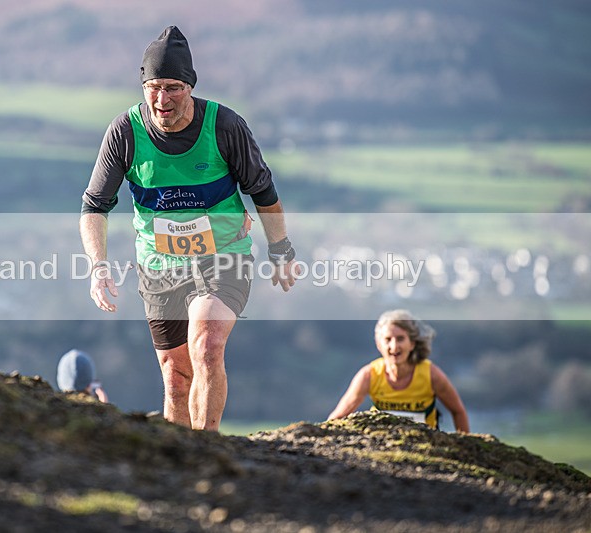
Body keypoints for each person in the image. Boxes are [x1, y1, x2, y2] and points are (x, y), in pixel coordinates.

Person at [80, 26, 298, 431]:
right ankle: (180, 465)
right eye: (154, 87)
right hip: (160, 266)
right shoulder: (125, 132)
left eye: (174, 88)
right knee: (176, 378)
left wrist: (281, 250)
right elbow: (94, 206)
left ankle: (208, 448)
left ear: (190, 87)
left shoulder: (225, 126)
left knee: (207, 346)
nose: (163, 100)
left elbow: (264, 194)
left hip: (223, 257)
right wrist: (98, 265)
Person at [328, 309, 470, 433]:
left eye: (400, 339)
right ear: (379, 344)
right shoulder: (369, 375)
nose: (394, 346)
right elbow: (339, 415)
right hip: (382, 444)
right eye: (388, 339)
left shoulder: (432, 375)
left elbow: (458, 411)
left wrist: (466, 449)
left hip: (426, 444)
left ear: (412, 343)